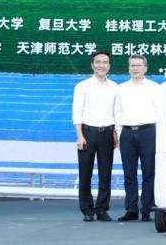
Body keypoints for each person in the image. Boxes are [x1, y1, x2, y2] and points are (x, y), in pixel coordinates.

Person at [72, 51, 118, 222]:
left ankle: (102, 209)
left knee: (105, 173)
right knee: (85, 173)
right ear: (92, 65)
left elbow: (116, 113)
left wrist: (115, 134)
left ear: (109, 66)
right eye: (98, 62)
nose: (101, 65)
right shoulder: (82, 86)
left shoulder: (115, 87)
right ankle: (87, 209)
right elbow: (77, 112)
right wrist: (79, 136)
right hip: (87, 132)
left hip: (107, 133)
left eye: (105, 62)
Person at [114, 54, 160, 222]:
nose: (135, 68)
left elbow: (160, 113)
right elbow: (117, 113)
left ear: (145, 68)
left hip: (148, 132)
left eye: (138, 65)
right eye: (132, 65)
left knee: (149, 173)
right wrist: (119, 134)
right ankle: (131, 209)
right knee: (129, 173)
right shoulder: (121, 88)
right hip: (127, 134)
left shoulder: (155, 88)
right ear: (129, 68)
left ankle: (147, 209)